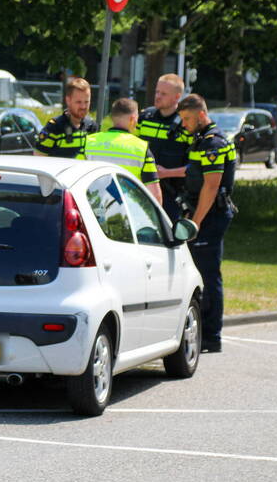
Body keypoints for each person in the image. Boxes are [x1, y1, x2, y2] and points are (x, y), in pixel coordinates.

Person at [159, 94, 237, 354]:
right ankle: (202, 331)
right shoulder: (201, 139)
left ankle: (212, 336)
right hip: (202, 212)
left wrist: (196, 223)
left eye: (187, 119)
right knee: (200, 272)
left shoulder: (213, 143)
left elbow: (211, 187)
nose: (184, 124)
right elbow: (193, 172)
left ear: (201, 115)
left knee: (208, 274)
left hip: (210, 215)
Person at [78, 98, 162, 204]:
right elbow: (155, 194)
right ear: (132, 119)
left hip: (92, 207)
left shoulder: (88, 142)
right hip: (126, 211)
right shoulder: (142, 148)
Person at [139, 73, 191, 220]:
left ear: (177, 97)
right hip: (142, 190)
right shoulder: (145, 118)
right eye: (157, 92)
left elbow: (195, 167)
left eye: (163, 94)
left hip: (172, 196)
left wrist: (166, 173)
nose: (158, 96)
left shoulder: (185, 124)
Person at [35, 77, 99, 158]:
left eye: (86, 102)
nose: (83, 106)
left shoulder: (91, 126)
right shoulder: (55, 127)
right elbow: (38, 157)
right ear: (68, 100)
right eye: (78, 102)